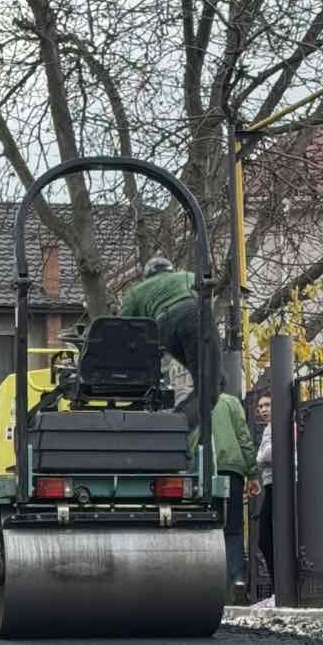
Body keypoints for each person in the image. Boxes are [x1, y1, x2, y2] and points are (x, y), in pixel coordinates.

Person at [120, 254, 221, 423]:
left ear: (147, 275)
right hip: (192, 314)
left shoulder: (135, 292)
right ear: (170, 270)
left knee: (206, 383)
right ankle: (177, 426)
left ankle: (176, 422)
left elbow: (122, 328)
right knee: (212, 385)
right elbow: (206, 299)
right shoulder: (187, 276)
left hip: (163, 329)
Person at [191, 392, 259, 593]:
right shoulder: (231, 402)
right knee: (234, 526)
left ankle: (209, 581)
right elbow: (243, 436)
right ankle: (237, 578)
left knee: (205, 524)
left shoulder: (193, 402)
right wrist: (252, 473)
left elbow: (191, 437)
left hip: (203, 471)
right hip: (232, 469)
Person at [254, 389, 274, 595]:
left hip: (277, 485)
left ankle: (278, 588)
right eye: (260, 406)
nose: (263, 409)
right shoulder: (268, 429)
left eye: (267, 405)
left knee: (266, 539)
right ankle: (277, 588)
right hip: (270, 485)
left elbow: (267, 454)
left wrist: (259, 459)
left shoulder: (275, 426)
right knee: (266, 539)